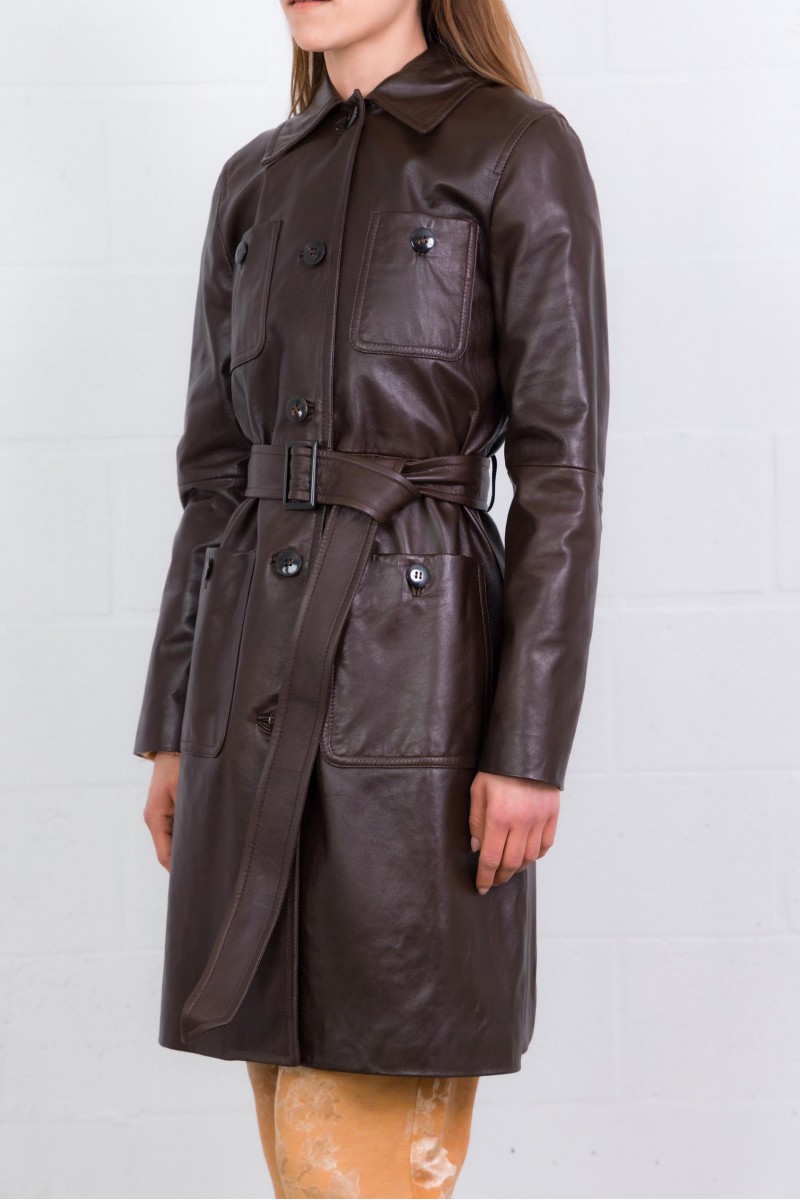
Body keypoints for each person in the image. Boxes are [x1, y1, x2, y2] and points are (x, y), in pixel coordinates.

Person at [137, 0, 609, 1195]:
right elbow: (212, 477)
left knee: (359, 1146)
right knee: (296, 1142)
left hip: (419, 694)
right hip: (246, 693)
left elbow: (560, 474)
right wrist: (175, 727)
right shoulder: (253, 181)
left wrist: (528, 747)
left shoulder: (513, 148)